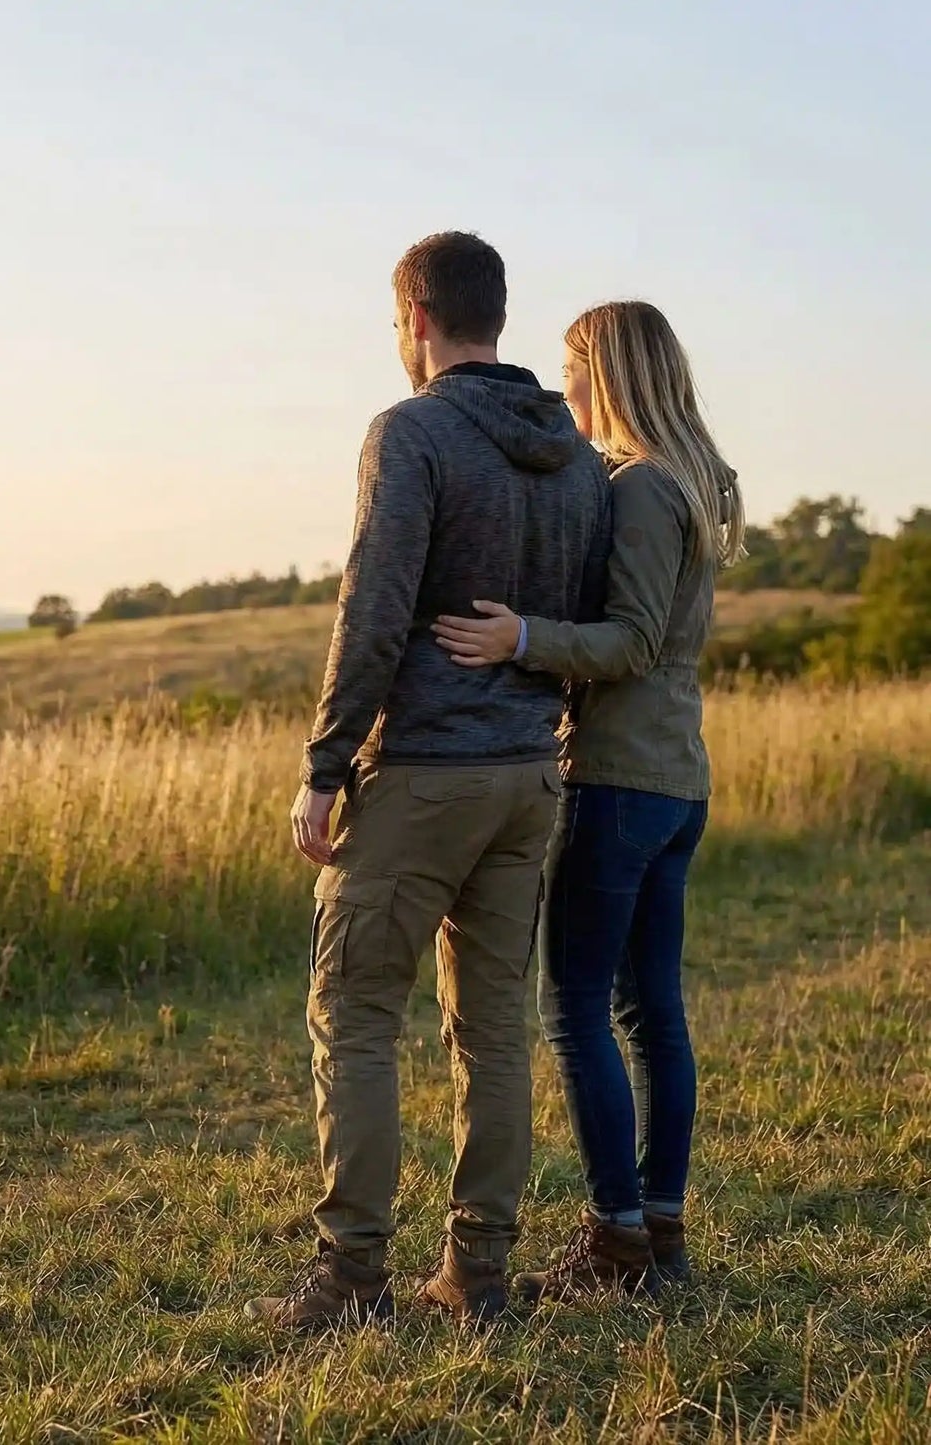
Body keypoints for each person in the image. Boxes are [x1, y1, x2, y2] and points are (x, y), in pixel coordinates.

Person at [244, 232, 611, 1332]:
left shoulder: (409, 431)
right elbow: (586, 620)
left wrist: (323, 763)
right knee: (491, 1028)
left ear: (413, 317)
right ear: (493, 312)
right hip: (525, 776)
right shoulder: (579, 455)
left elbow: (374, 603)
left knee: (352, 1010)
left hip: (422, 773)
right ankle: (478, 1270)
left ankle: (352, 1274)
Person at [433, 300, 745, 1303]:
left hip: (620, 779)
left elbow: (631, 640)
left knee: (575, 1006)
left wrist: (519, 636)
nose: (562, 392)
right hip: (673, 777)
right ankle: (657, 1232)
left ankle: (616, 1240)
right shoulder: (695, 479)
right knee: (650, 1010)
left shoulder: (646, 487)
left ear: (602, 374)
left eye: (570, 372)